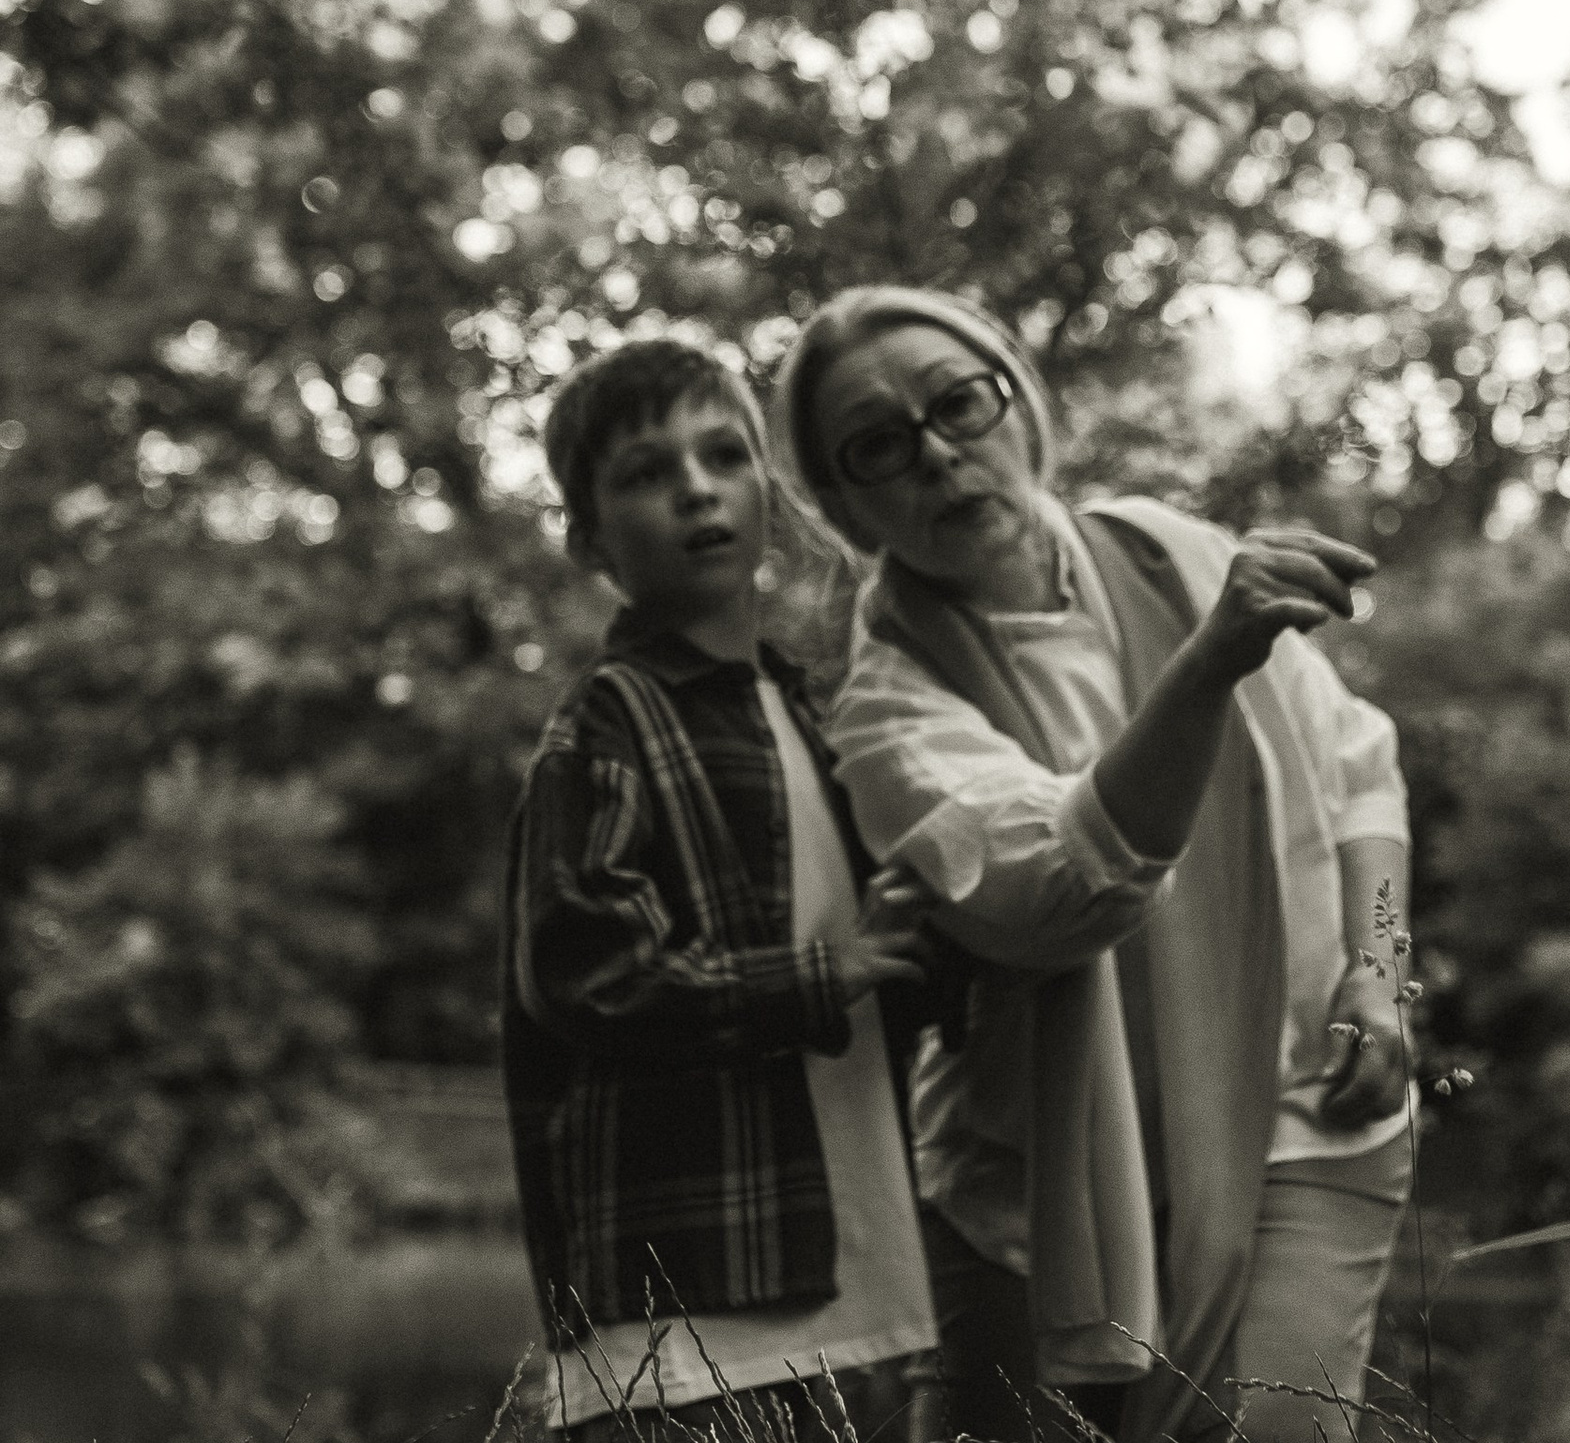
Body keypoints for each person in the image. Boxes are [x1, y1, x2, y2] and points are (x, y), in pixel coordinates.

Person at [772, 285, 1415, 1443]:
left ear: (1018, 401)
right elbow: (1074, 883)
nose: (937, 453)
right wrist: (1212, 659)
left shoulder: (1170, 551)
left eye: (957, 402)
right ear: (842, 506)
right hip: (1041, 1193)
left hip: (1307, 1119)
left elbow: (1359, 764)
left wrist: (1378, 965)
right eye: (878, 444)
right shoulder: (889, 711)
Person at [502, 335, 949, 1443]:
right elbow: (589, 972)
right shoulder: (606, 720)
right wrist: (820, 975)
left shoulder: (807, 708)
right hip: (681, 1314)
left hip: (856, 1279)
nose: (696, 488)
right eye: (648, 473)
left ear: (768, 489)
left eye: (723, 455)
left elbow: (875, 969)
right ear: (588, 536)